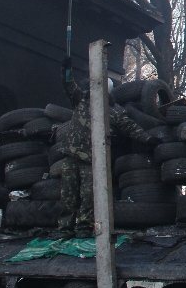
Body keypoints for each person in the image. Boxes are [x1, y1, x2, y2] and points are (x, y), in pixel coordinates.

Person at [57, 58, 159, 237]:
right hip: (71, 154)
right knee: (68, 193)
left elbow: (130, 127)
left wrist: (148, 139)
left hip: (92, 158)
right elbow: (69, 86)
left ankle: (83, 227)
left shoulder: (113, 111)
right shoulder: (81, 99)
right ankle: (65, 228)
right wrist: (66, 71)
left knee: (89, 195)